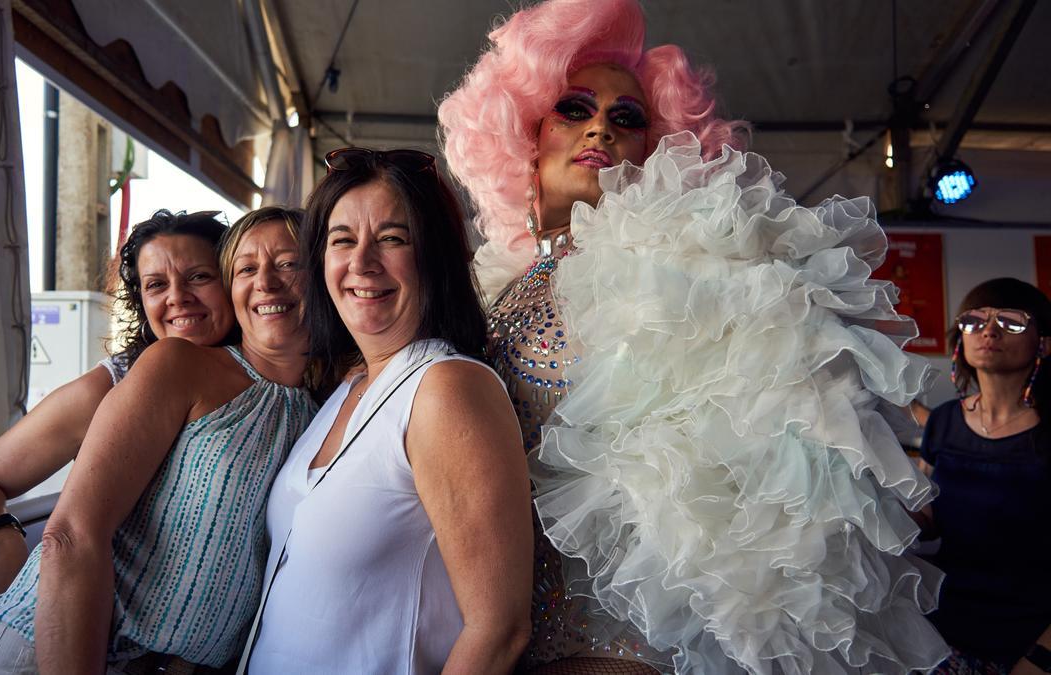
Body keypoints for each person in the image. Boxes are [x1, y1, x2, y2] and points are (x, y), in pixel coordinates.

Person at [439, 0, 949, 673]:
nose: (601, 127)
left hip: (625, 640)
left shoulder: (689, 269)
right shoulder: (492, 285)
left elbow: (780, 477)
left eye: (628, 118)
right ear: (525, 132)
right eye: (575, 108)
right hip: (490, 632)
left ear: (657, 149)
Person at [0, 206, 317, 673]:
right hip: (51, 653)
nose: (179, 298)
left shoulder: (321, 401)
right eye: (156, 285)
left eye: (287, 263)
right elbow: (71, 534)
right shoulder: (160, 368)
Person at [240, 148, 532, 674]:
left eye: (392, 239)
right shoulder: (349, 386)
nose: (361, 263)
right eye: (342, 240)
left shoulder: (447, 389)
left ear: (434, 256)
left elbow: (499, 630)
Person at [917, 278, 1051, 674]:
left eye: (1010, 321)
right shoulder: (944, 421)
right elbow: (927, 523)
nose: (989, 330)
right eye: (975, 320)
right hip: (943, 633)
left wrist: (1041, 657)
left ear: (1043, 342)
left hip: (1029, 642)